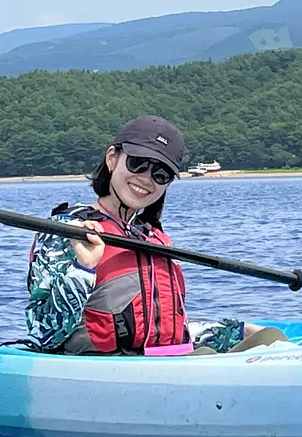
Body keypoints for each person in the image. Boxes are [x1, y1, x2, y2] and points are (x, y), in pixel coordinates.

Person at [21, 114, 286, 357]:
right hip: (104, 368)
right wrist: (83, 269)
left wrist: (236, 332)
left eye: (161, 173)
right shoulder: (66, 232)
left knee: (269, 337)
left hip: (161, 363)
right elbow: (44, 334)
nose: (147, 179)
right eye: (138, 163)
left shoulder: (152, 238)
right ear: (112, 158)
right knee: (204, 358)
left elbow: (170, 333)